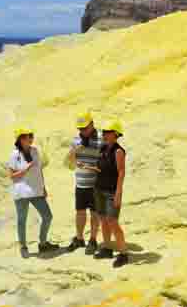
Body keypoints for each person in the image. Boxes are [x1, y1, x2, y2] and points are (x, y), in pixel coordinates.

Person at [7, 127, 59, 258]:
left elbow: (39, 170)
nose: (31, 138)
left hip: (36, 190)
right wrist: (25, 169)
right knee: (21, 220)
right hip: (21, 192)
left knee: (47, 216)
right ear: (21, 139)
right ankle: (23, 246)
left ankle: (42, 243)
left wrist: (43, 187)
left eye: (32, 135)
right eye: (28, 136)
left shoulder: (35, 151)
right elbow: (12, 176)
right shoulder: (14, 154)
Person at [64, 112, 103, 254]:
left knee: (94, 213)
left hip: (96, 184)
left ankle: (93, 240)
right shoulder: (76, 140)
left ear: (92, 124)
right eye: (80, 129)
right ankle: (79, 239)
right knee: (80, 212)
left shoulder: (101, 139)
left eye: (84, 128)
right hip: (80, 183)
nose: (82, 131)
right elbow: (68, 163)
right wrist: (75, 151)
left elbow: (105, 160)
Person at [93, 120, 129, 268]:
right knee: (103, 219)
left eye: (107, 133)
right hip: (99, 189)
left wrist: (118, 193)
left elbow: (121, 172)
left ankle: (123, 253)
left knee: (112, 221)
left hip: (111, 191)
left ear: (115, 134)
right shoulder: (102, 149)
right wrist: (89, 167)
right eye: (104, 132)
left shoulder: (118, 151)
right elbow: (101, 168)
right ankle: (108, 248)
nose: (104, 135)